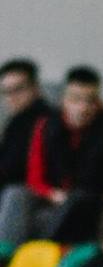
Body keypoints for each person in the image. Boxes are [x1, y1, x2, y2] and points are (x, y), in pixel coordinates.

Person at [19, 65, 103, 246]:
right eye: (75, 99)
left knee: (79, 199)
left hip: (92, 206)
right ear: (63, 100)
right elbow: (34, 178)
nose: (82, 108)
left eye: (90, 101)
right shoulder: (46, 127)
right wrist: (54, 195)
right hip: (55, 201)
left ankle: (44, 249)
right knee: (15, 194)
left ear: (98, 103)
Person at [0, 58, 53, 251]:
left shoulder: (47, 121)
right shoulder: (15, 122)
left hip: (34, 193)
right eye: (6, 92)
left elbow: (15, 169)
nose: (12, 97)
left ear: (35, 88)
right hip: (14, 190)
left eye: (18, 89)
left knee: (15, 195)